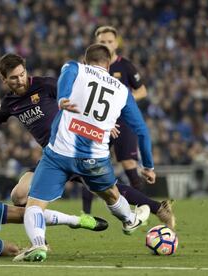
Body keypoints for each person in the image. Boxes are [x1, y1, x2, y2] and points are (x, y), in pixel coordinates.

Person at [0, 53, 175, 229]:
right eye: (13, 78)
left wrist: (103, 121)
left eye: (21, 74)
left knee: (109, 190)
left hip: (73, 147)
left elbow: (82, 98)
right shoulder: (9, 103)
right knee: (19, 195)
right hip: (52, 156)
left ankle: (156, 208)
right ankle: (51, 228)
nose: (19, 80)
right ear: (4, 79)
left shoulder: (45, 85)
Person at [13, 44, 155, 262]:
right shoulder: (122, 91)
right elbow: (142, 131)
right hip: (95, 159)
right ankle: (129, 219)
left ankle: (38, 245)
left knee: (35, 205)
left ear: (86, 60)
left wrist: (62, 99)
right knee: (112, 195)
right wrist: (148, 165)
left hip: (58, 154)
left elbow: (65, 79)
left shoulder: (75, 68)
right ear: (108, 64)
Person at [81, 26, 175, 230]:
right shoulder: (86, 68)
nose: (105, 44)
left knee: (127, 164)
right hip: (98, 123)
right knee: (88, 165)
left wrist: (124, 100)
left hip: (122, 123)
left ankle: (147, 206)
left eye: (109, 41)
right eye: (102, 41)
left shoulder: (126, 67)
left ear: (116, 43)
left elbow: (142, 90)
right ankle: (86, 213)